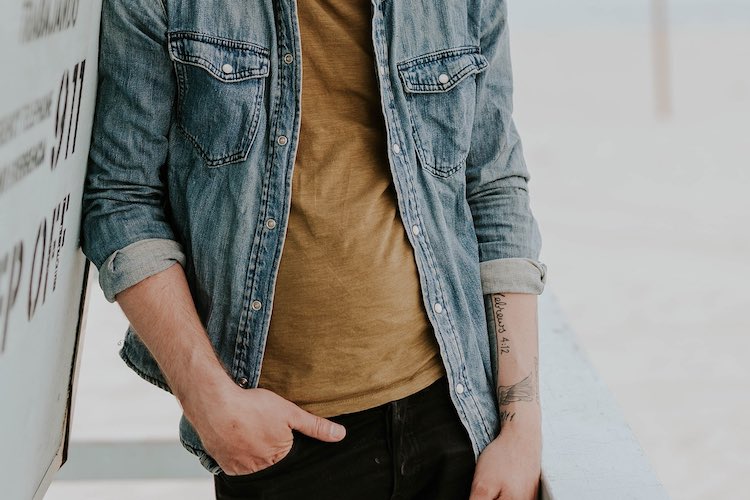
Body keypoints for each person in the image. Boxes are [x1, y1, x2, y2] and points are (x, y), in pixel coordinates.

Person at [81, 0, 547, 498]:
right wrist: (208, 399)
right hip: (281, 438)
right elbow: (120, 197)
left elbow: (494, 189)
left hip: (454, 417)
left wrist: (522, 426)